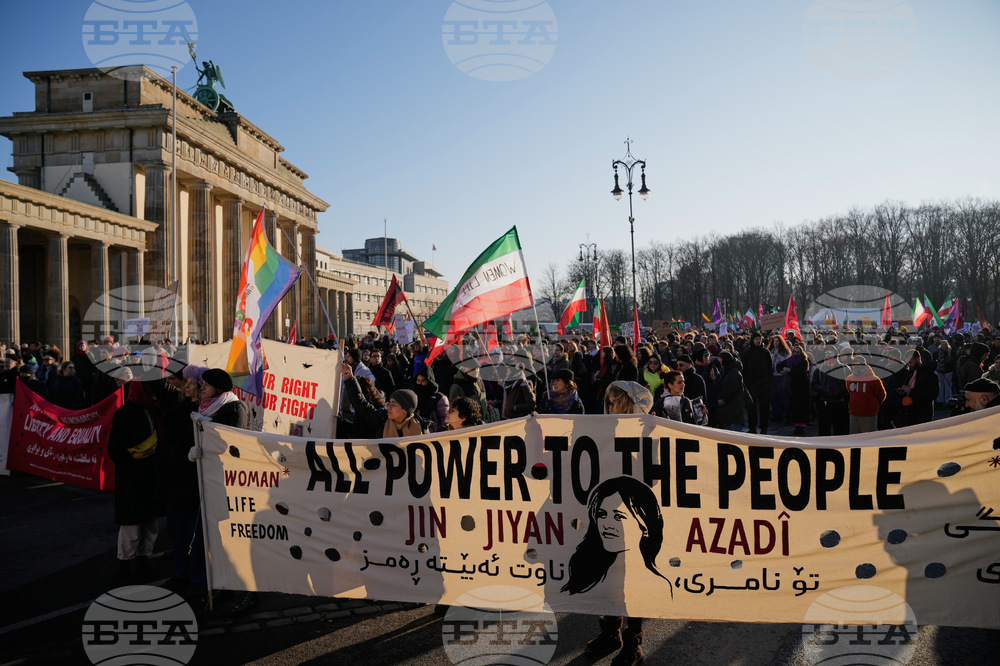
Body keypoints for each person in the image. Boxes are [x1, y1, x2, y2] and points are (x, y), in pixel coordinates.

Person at [570, 381, 657, 666]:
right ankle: (610, 632)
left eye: (614, 402)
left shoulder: (647, 430)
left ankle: (633, 642)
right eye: (607, 401)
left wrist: (647, 438)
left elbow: (652, 476)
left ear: (628, 404)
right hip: (604, 518)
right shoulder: (602, 429)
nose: (608, 407)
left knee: (632, 583)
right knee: (608, 578)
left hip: (633, 519)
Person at [109, 380, 163, 582]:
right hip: (132, 478)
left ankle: (143, 562)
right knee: (131, 526)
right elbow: (115, 449)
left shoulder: (156, 411)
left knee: (151, 524)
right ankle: (124, 567)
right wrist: (132, 464)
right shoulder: (125, 413)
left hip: (151, 477)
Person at [893, 350, 938, 428]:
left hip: (922, 413)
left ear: (918, 359)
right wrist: (903, 392)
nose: (909, 365)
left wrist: (911, 391)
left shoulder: (929, 374)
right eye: (908, 363)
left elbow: (932, 394)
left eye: (911, 362)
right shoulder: (909, 373)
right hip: (909, 412)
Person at [740, 332, 772, 434]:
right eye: (756, 339)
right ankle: (752, 428)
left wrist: (769, 381)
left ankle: (764, 427)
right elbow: (743, 368)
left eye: (759, 339)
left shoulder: (765, 352)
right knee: (751, 407)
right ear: (752, 340)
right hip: (751, 384)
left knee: (764, 407)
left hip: (764, 384)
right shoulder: (747, 352)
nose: (758, 341)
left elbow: (770, 367)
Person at [845, 357, 886, 434]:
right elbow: (850, 392)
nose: (856, 366)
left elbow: (881, 395)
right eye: (854, 364)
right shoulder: (849, 378)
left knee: (867, 437)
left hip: (868, 414)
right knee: (854, 436)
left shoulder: (873, 379)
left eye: (858, 364)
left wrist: (872, 405)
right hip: (854, 413)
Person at [716, 352, 746, 432]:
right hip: (729, 408)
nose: (719, 360)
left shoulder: (733, 373)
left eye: (720, 358)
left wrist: (724, 400)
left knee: (734, 432)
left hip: (734, 408)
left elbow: (732, 389)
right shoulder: (727, 371)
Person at [414, 366, 449, 433]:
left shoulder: (439, 398)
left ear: (429, 381)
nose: (420, 383)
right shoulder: (414, 396)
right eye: (418, 380)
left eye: (423, 381)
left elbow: (445, 420)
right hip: (416, 434)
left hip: (433, 435)